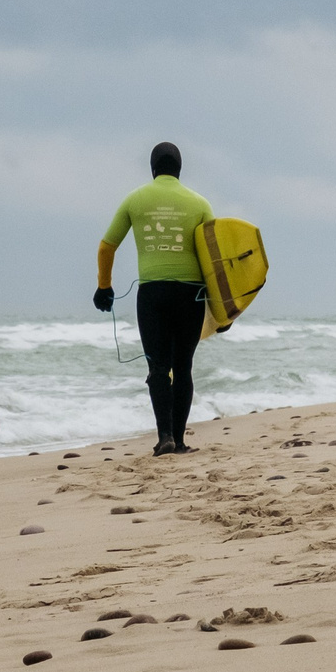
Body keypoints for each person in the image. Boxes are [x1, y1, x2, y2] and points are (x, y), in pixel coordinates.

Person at [94, 141, 213, 455]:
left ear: (153, 168)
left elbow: (107, 247)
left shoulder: (135, 199)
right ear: (179, 169)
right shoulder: (200, 203)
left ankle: (165, 437)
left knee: (158, 367)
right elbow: (215, 259)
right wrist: (222, 308)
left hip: (152, 295)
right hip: (191, 295)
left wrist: (104, 287)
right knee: (183, 367)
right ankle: (180, 440)